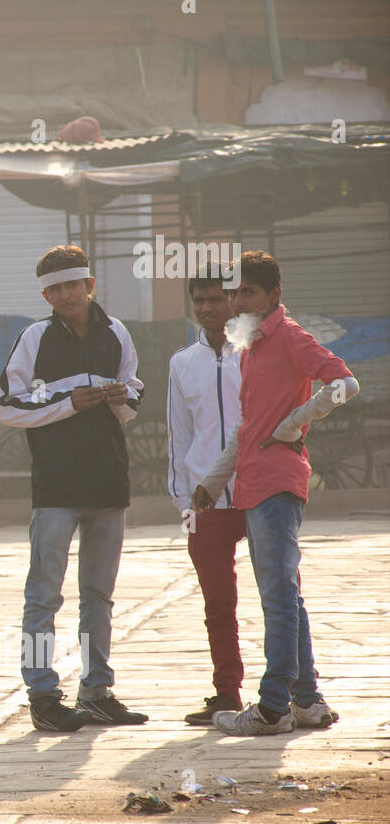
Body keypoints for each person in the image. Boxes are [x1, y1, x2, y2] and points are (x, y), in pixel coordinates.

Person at [192, 251, 357, 735]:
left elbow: (345, 384)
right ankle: (306, 702)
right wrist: (213, 479)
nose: (237, 301)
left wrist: (292, 425)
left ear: (273, 296)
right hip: (252, 481)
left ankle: (271, 707)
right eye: (235, 293)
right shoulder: (252, 345)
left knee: (277, 596)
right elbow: (247, 425)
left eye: (248, 293)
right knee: (288, 594)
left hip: (278, 481)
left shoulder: (289, 337)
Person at [0, 245, 148, 731]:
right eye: (53, 289)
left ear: (90, 285)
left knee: (99, 595)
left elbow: (133, 394)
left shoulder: (116, 332)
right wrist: (69, 403)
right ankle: (42, 695)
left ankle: (98, 690)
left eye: (71, 285)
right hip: (57, 486)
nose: (63, 295)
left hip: (108, 481)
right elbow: (6, 405)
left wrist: (124, 397)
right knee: (43, 595)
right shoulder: (35, 336)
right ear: (45, 294)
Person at [167, 271, 246, 724]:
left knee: (282, 596)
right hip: (203, 502)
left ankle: (296, 689)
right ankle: (227, 693)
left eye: (216, 299)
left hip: (259, 493)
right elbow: (179, 436)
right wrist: (182, 499)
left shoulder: (257, 354)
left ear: (234, 301)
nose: (207, 308)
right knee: (217, 604)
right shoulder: (182, 363)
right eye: (199, 300)